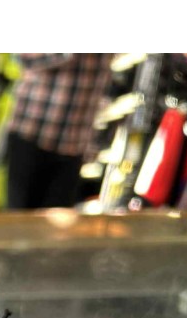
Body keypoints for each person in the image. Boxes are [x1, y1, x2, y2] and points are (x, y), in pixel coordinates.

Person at [7, 53, 113, 209]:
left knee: (58, 218)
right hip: (32, 131)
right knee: (21, 216)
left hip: (75, 142)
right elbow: (23, 57)